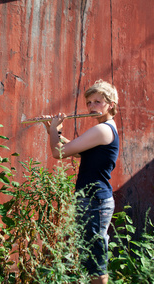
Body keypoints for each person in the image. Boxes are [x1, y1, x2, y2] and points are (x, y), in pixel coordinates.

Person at [40, 79, 119, 284]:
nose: (92, 107)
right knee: (91, 258)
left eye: (98, 102)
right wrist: (54, 131)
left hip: (95, 201)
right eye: (89, 103)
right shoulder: (104, 129)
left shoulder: (102, 130)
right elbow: (76, 150)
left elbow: (59, 153)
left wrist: (53, 132)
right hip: (93, 200)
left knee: (95, 262)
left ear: (110, 104)